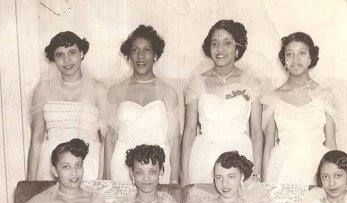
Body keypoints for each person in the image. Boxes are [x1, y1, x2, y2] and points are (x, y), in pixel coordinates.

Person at [181, 19, 263, 185]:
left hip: (241, 156)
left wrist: (257, 173)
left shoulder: (250, 82)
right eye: (215, 43)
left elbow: (256, 132)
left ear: (237, 48)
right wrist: (183, 174)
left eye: (227, 43)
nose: (220, 49)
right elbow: (189, 131)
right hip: (204, 156)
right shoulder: (197, 82)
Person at [27, 31, 107, 181]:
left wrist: (103, 177)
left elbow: (105, 140)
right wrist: (30, 181)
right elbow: (36, 138)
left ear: (82, 53)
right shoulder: (42, 90)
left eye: (72, 52)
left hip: (87, 164)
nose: (67, 60)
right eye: (60, 55)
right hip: (51, 166)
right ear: (54, 59)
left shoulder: (98, 89)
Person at [105, 25, 180, 183]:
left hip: (158, 167)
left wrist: (173, 180)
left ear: (155, 55)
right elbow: (110, 138)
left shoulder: (168, 92)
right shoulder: (116, 91)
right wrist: (107, 178)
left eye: (146, 50)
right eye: (135, 50)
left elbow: (174, 139)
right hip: (122, 167)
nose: (140, 56)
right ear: (129, 55)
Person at [262, 32, 336, 185]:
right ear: (284, 60)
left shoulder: (324, 94)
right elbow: (268, 145)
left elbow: (331, 143)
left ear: (311, 58)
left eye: (302, 53)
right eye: (289, 54)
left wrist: (333, 179)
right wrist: (265, 185)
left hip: (317, 167)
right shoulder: (273, 97)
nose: (295, 59)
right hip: (282, 169)